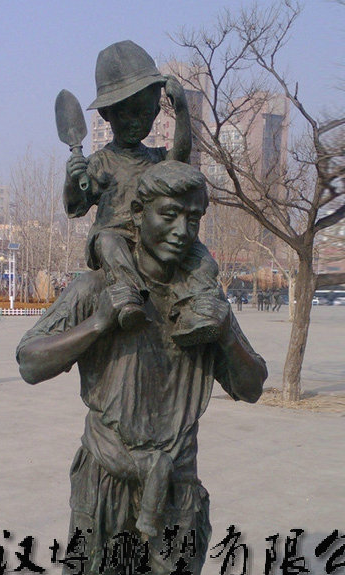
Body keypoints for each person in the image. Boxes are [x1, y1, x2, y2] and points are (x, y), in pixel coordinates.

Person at [17, 161, 267, 575]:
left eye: (193, 217)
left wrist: (226, 334)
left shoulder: (203, 298)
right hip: (102, 484)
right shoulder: (95, 288)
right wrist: (101, 323)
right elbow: (29, 360)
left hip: (174, 490)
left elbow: (252, 384)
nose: (182, 229)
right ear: (139, 216)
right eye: (168, 214)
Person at [63, 40, 226, 347]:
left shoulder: (157, 159)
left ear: (155, 111)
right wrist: (74, 180)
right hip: (114, 237)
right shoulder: (101, 162)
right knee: (109, 242)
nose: (136, 122)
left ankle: (201, 308)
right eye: (126, 114)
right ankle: (128, 296)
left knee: (200, 255)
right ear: (108, 115)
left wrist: (182, 110)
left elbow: (181, 158)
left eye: (144, 113)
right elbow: (76, 207)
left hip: (155, 240)